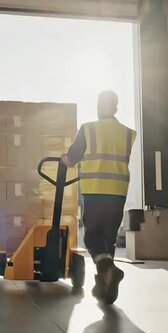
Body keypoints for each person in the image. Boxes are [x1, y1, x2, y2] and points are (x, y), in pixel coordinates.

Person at [61, 90, 136, 305]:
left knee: (92, 237)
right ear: (115, 108)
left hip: (95, 191)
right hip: (118, 193)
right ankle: (104, 289)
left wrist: (63, 159)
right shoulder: (127, 133)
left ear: (98, 106)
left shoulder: (89, 129)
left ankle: (108, 270)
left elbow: (72, 158)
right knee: (107, 240)